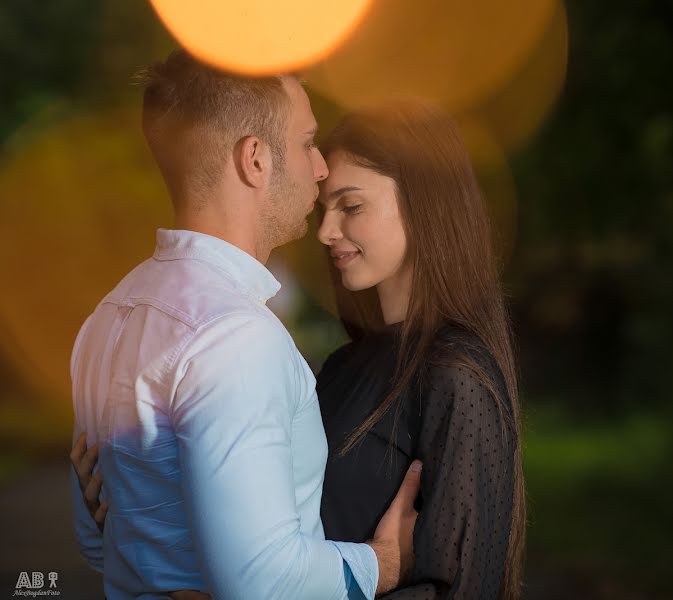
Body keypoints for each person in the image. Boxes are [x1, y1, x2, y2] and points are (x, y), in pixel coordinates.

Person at [68, 49, 419, 600]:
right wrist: (383, 565)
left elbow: (99, 542)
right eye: (307, 144)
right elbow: (261, 583)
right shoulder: (237, 339)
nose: (321, 167)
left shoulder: (108, 318)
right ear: (255, 159)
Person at [315, 100, 526, 599]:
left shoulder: (455, 374)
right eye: (323, 209)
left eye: (351, 206)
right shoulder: (340, 368)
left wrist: (377, 569)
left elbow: (465, 588)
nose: (325, 231)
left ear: (423, 200)